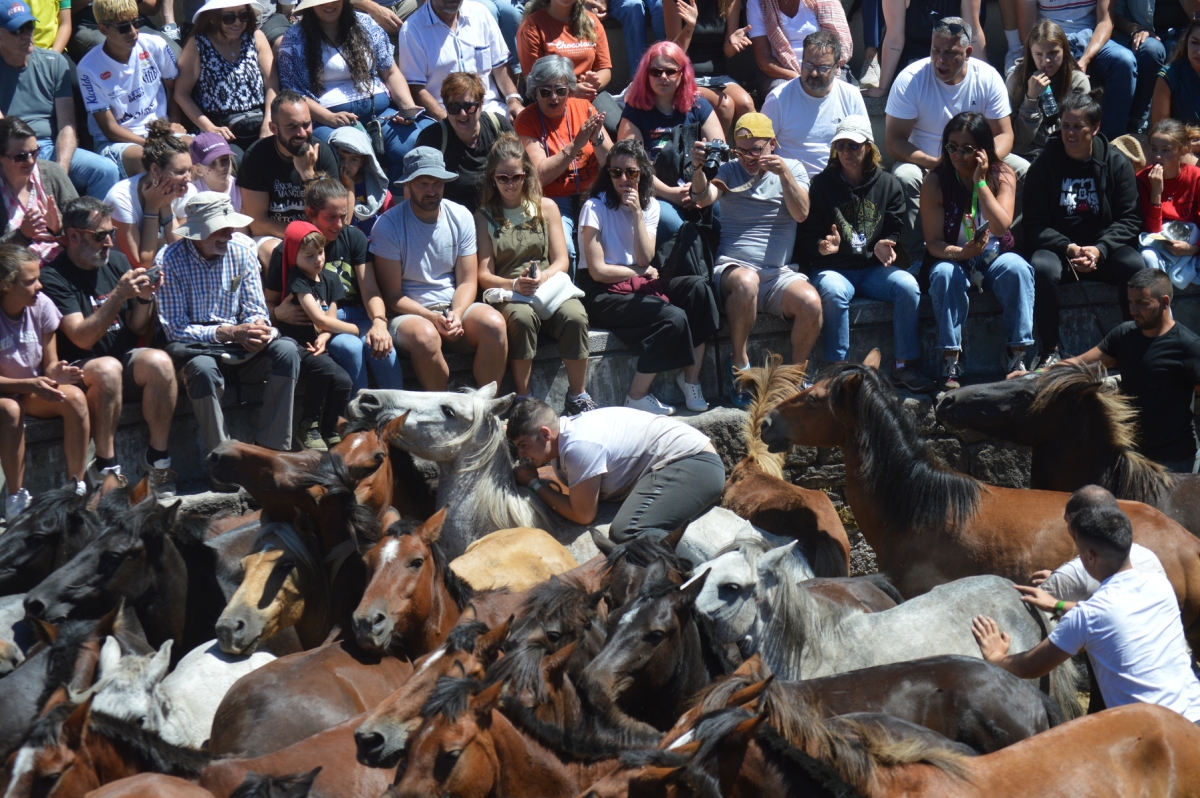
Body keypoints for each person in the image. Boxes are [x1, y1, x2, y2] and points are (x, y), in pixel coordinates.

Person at [972, 490, 1200, 723]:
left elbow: (1031, 667)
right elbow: (1112, 614)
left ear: (1090, 557)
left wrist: (996, 656)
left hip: (1154, 734)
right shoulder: (1160, 585)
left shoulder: (1088, 616)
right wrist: (1059, 604)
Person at [40, 196, 179, 493]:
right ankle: (105, 466)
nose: (108, 242)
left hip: (120, 359)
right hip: (79, 368)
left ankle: (158, 460)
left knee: (160, 362)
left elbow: (136, 326)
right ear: (73, 236)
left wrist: (144, 297)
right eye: (100, 235)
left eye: (111, 233)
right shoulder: (54, 275)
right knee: (107, 369)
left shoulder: (115, 262)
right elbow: (80, 337)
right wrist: (118, 295)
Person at [691, 112, 827, 405]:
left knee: (811, 303)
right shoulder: (728, 169)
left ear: (773, 144)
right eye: (742, 150)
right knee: (747, 282)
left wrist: (784, 175)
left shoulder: (793, 169)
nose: (749, 158)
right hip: (735, 270)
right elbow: (702, 198)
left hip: (778, 274)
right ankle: (740, 367)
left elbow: (802, 214)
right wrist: (698, 168)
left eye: (756, 149)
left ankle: (793, 378)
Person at [156, 192, 302, 463]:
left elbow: (256, 308)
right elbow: (175, 330)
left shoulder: (242, 250)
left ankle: (272, 451)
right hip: (198, 347)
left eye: (230, 226)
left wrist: (258, 326)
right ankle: (223, 460)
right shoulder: (168, 260)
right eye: (220, 228)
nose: (229, 232)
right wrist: (227, 332)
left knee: (287, 351)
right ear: (198, 232)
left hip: (240, 343)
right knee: (201, 369)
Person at [577, 139, 719, 415]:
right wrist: (638, 272)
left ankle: (691, 379)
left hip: (639, 282)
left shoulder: (650, 206)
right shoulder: (594, 208)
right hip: (602, 291)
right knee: (673, 317)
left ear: (642, 173)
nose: (623, 179)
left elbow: (645, 257)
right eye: (616, 172)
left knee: (699, 290)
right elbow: (598, 271)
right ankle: (636, 395)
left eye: (630, 172)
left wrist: (638, 215)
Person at [798, 116, 933, 393]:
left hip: (872, 268)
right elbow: (807, 236)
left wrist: (888, 242)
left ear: (868, 148)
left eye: (854, 146)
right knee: (834, 291)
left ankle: (903, 365)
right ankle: (838, 370)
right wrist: (821, 247)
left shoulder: (888, 184)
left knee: (908, 286)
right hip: (834, 268)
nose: (847, 152)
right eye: (841, 145)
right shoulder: (821, 185)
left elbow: (895, 227)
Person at [885, 18, 1024, 261]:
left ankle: (1011, 246)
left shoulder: (988, 77)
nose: (940, 60)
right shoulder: (910, 79)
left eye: (949, 52)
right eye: (935, 50)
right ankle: (920, 257)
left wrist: (982, 163)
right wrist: (936, 163)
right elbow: (894, 141)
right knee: (904, 176)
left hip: (977, 157)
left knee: (1023, 169)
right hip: (928, 162)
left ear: (968, 52)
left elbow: (1004, 134)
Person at [1023, 88, 1143, 370]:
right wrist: (1069, 247)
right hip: (1061, 251)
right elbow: (1034, 225)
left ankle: (1132, 342)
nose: (1070, 133)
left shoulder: (1115, 162)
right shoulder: (1045, 164)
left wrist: (1100, 249)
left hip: (1102, 249)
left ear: (1095, 127)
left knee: (1134, 264)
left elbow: (1130, 219)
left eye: (1078, 127)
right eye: (1065, 126)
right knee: (1041, 267)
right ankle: (1050, 349)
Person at [475, 134, 596, 413]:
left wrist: (543, 277)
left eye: (515, 177)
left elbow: (561, 261)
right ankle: (524, 398)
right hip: (511, 292)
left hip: (546, 286)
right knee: (521, 317)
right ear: (492, 177)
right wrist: (514, 283)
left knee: (576, 315)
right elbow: (484, 274)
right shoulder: (483, 217)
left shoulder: (546, 207)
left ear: (525, 175)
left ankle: (578, 395)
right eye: (502, 178)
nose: (509, 184)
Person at [371, 147, 509, 391]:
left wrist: (456, 313)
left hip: (452, 306)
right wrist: (431, 317)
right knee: (425, 336)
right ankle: (444, 407)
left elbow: (467, 281)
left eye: (437, 183)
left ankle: (485, 405)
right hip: (409, 315)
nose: (432, 191)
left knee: (494, 324)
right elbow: (392, 296)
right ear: (409, 185)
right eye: (423, 184)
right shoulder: (388, 225)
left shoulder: (460, 216)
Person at [921, 112, 1035, 389]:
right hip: (954, 256)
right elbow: (933, 241)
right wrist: (961, 254)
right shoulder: (935, 182)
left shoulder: (1003, 173)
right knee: (945, 274)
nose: (957, 154)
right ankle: (951, 357)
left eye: (966, 148)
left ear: (982, 150)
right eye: (951, 147)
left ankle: (1017, 353)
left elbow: (1000, 226)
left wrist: (981, 182)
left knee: (1018, 268)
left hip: (994, 255)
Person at [507, 397, 725, 541]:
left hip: (694, 463)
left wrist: (534, 484)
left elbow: (583, 515)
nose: (522, 455)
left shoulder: (578, 446)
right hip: (669, 466)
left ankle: (696, 570)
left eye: (524, 446)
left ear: (546, 434)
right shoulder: (564, 437)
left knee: (627, 531)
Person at [1051, 269, 1200, 472]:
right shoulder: (1124, 335)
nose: (1133, 309)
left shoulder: (1188, 346)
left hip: (1175, 462)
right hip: (1132, 457)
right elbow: (1080, 364)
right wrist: (1033, 376)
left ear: (1165, 302)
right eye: (1130, 302)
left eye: (1141, 303)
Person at [265, 177, 402, 392]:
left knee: (384, 347)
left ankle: (394, 413)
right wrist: (278, 312)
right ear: (310, 213)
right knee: (350, 347)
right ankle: (357, 417)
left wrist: (379, 322)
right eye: (331, 217)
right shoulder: (290, 249)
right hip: (323, 321)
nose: (339, 225)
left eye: (343, 216)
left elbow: (370, 289)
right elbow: (268, 302)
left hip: (357, 314)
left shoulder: (353, 237)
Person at [278, 0, 426, 182]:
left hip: (380, 113)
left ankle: (397, 204)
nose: (329, 5)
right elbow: (294, 93)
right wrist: (329, 118)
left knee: (411, 143)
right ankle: (350, 207)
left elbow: (391, 72)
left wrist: (407, 108)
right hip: (327, 120)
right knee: (346, 149)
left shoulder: (367, 24)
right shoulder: (295, 38)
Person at [0, 244, 87, 518]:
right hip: (7, 393)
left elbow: (49, 362)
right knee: (10, 410)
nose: (39, 286)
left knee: (73, 397)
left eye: (38, 278)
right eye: (30, 282)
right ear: (5, 285)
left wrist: (56, 373)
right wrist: (29, 384)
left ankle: (76, 487)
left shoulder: (41, 305)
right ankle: (16, 497)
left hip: (29, 387)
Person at [0, 1, 120, 199]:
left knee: (105, 169)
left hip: (48, 148)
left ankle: (97, 228)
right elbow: (3, 132)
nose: (26, 34)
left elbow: (67, 125)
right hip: (11, 154)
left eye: (29, 26)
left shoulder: (55, 62)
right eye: (17, 30)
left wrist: (59, 172)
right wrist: (24, 160)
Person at [618, 42, 724, 246]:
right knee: (678, 227)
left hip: (700, 186)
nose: (663, 77)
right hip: (656, 193)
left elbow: (718, 151)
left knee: (720, 215)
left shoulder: (699, 105)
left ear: (682, 73)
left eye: (670, 71)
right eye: (656, 71)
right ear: (646, 75)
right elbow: (632, 167)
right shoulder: (634, 112)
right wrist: (671, 193)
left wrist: (701, 190)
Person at [516, 55, 610, 268]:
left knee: (607, 241)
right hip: (556, 200)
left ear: (570, 90)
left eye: (560, 91)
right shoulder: (527, 120)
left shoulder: (584, 107)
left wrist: (597, 139)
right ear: (534, 92)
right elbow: (540, 174)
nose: (554, 98)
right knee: (567, 249)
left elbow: (611, 164)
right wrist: (575, 145)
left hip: (592, 196)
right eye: (545, 92)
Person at [76, 0, 185, 181]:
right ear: (103, 29)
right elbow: (110, 129)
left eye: (136, 23)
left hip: (160, 131)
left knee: (200, 150)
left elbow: (174, 90)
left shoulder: (156, 44)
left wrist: (174, 122)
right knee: (150, 163)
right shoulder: (88, 68)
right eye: (124, 27)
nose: (133, 32)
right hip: (119, 141)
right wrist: (151, 143)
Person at [1023, 0, 1161, 137]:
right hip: (1052, 43)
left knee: (1124, 60)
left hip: (1091, 38)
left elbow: (1105, 22)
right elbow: (1027, 30)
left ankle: (1110, 138)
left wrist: (1085, 58)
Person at [273, 221, 354, 450]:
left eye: (320, 252)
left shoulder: (330, 278)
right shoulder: (298, 279)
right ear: (294, 256)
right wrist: (356, 330)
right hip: (297, 343)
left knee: (343, 381)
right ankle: (308, 425)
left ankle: (330, 429)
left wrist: (326, 336)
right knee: (324, 368)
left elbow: (330, 317)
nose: (318, 259)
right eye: (309, 256)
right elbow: (320, 319)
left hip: (318, 342)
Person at [239, 91, 342, 267]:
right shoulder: (256, 157)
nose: (301, 133)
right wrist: (302, 235)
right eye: (292, 127)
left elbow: (335, 210)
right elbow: (257, 223)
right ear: (273, 128)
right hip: (277, 235)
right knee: (274, 252)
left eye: (306, 125)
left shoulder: (322, 152)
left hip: (320, 234)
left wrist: (308, 175)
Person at [173, 0, 278, 155]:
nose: (238, 22)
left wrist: (269, 119)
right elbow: (181, 93)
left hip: (259, 121)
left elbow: (272, 84)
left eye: (244, 15)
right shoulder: (198, 44)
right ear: (213, 18)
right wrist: (210, 127)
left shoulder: (256, 37)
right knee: (234, 161)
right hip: (217, 126)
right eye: (229, 18)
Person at [761, 30, 868, 177]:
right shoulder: (778, 98)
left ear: (837, 68)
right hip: (791, 183)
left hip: (837, 182)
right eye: (809, 65)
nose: (814, 74)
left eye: (823, 68)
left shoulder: (851, 96)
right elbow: (761, 147)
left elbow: (866, 145)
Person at [397, 0, 524, 122]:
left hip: (491, 109)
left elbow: (500, 65)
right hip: (447, 114)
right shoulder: (412, 29)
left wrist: (513, 99)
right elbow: (416, 88)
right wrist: (449, 122)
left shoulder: (481, 13)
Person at [414, 71, 516, 213]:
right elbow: (417, 190)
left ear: (481, 104)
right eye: (454, 107)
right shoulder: (432, 138)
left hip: (499, 216)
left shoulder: (498, 126)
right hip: (454, 223)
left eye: (469, 107)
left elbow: (523, 173)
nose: (462, 114)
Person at [105, 121, 196, 270]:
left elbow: (183, 255)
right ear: (155, 169)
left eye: (189, 170)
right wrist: (152, 207)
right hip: (126, 275)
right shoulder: (121, 198)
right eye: (180, 172)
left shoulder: (188, 190)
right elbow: (142, 263)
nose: (189, 179)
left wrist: (165, 206)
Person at [659, 0, 757, 133]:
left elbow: (727, 51)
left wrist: (732, 42)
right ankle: (716, 151)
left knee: (746, 104)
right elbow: (674, 54)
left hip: (718, 75)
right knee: (724, 106)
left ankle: (748, 152)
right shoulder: (675, 2)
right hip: (686, 76)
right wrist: (690, 26)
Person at [1006, 20, 1091, 161]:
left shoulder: (1077, 81)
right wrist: (1031, 99)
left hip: (1063, 154)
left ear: (1064, 51)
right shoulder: (1015, 80)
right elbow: (1022, 139)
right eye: (1039, 54)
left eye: (1053, 53)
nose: (1046, 61)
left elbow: (1075, 134)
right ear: (1030, 54)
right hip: (1025, 155)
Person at [864, 0, 985, 99]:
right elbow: (894, 38)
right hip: (912, 54)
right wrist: (883, 88)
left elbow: (973, 33)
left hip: (951, 53)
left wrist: (986, 77)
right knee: (917, 86)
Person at [0, 117, 77, 266]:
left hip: (62, 265)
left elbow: (83, 228)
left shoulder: (52, 172)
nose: (30, 161)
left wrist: (58, 229)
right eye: (20, 157)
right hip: (18, 272)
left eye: (35, 152)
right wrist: (22, 235)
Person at [1137, 118, 1200, 287]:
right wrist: (1156, 192)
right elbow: (1151, 230)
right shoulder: (1143, 180)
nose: (1158, 156)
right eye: (1153, 149)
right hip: (1159, 243)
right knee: (1148, 256)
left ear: (1182, 151)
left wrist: (1193, 249)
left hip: (1190, 242)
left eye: (1166, 150)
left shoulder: (1195, 177)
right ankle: (1163, 308)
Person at [745, 0, 851, 96]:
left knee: (840, 93)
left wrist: (817, 73)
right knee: (786, 95)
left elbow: (839, 46)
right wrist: (799, 78)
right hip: (780, 73)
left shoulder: (826, 2)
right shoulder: (757, 4)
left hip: (826, 68)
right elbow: (764, 60)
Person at [516, 0, 611, 99]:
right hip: (550, 96)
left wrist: (590, 85)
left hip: (589, 92)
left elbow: (604, 69)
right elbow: (532, 78)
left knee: (615, 115)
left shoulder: (591, 20)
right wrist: (570, 90)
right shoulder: (531, 26)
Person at [329, 125, 392, 236]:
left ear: (362, 161)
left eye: (354, 159)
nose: (346, 165)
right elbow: (343, 226)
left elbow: (392, 226)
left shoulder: (378, 191)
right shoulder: (327, 188)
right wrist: (349, 187)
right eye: (341, 158)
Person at [1152, 18, 1200, 127]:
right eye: (1194, 43)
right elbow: (1161, 130)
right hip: (1181, 141)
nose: (1198, 51)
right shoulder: (1169, 76)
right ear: (1186, 41)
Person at [190, 133, 243, 217]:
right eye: (212, 163)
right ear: (198, 170)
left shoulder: (242, 189)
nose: (221, 167)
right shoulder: (193, 195)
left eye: (225, 159)